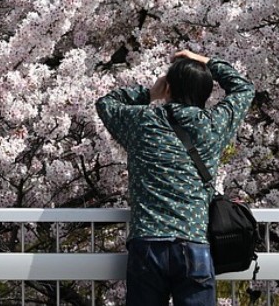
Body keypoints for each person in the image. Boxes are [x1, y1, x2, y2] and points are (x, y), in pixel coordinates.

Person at [95, 49, 255, 306]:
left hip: (147, 243)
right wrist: (208, 62)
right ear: (205, 92)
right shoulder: (212, 124)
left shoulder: (143, 121)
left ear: (168, 88)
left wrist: (149, 94)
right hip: (193, 243)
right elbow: (244, 89)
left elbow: (106, 103)